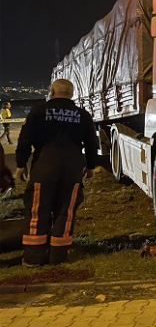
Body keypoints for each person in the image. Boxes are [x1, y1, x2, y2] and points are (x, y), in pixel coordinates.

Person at [14, 79, 99, 266]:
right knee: (66, 211)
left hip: (45, 165)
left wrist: (21, 165)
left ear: (51, 91)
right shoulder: (82, 115)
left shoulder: (38, 111)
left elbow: (25, 140)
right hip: (72, 168)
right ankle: (59, 256)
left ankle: (34, 258)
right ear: (71, 93)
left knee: (37, 210)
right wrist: (91, 166)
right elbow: (92, 143)